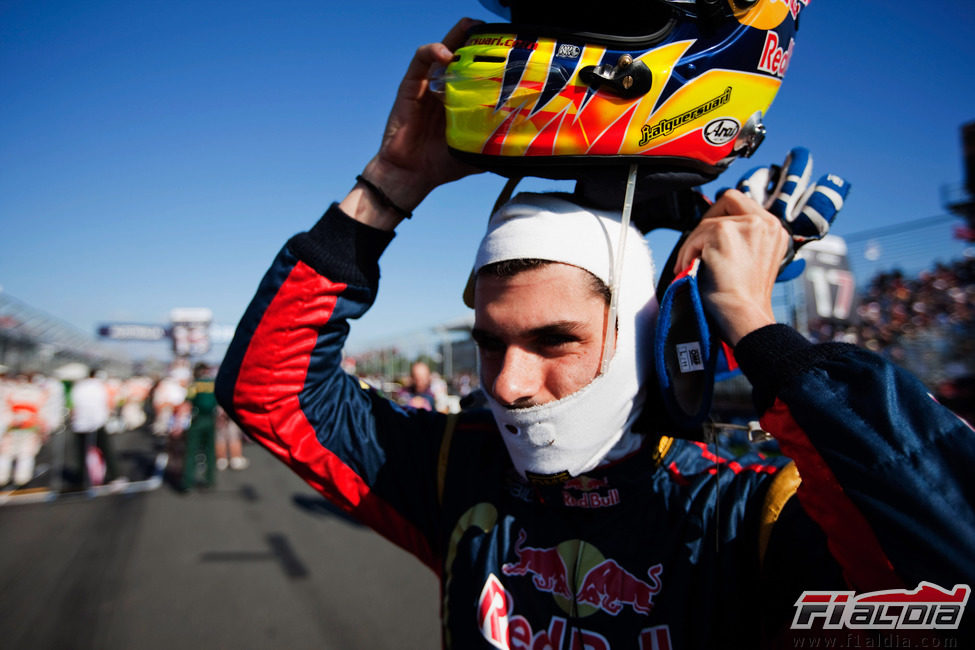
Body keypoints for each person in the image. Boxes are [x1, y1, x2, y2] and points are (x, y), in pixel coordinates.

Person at [217, 13, 975, 650]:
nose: (507, 385)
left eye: (554, 341)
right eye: (489, 342)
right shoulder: (456, 472)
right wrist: (389, 184)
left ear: (652, 340)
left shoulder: (746, 513)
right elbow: (268, 392)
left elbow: (952, 578)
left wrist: (755, 326)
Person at [69, 369, 123, 488]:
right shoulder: (100, 386)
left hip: (80, 424)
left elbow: (72, 406)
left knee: (82, 452)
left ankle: (83, 478)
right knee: (106, 450)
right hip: (98, 422)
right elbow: (108, 402)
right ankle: (115, 476)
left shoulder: (79, 386)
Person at [176, 362, 218, 492]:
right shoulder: (213, 384)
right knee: (210, 451)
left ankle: (187, 482)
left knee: (191, 451)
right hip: (211, 419)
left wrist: (178, 423)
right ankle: (209, 480)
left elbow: (187, 403)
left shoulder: (194, 384)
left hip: (197, 419)